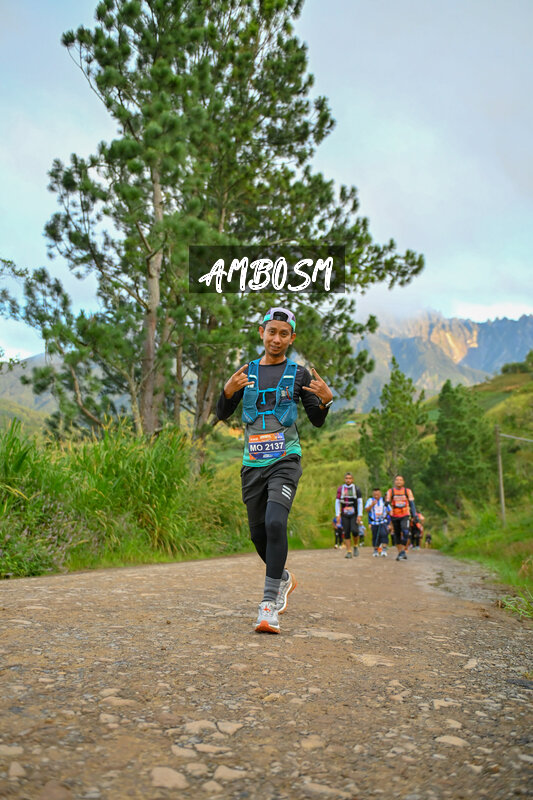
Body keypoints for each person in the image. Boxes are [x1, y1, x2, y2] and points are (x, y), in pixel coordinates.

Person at [216, 306, 333, 634]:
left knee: (275, 522)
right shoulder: (246, 373)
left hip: (285, 461)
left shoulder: (299, 375)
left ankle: (268, 606)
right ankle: (282, 577)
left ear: (291, 338)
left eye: (284, 334)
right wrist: (227, 392)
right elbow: (222, 413)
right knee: (258, 534)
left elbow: (316, 420)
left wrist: (326, 401)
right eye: (272, 332)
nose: (277, 339)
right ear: (262, 333)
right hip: (252, 464)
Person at [385, 475, 418, 561]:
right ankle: (400, 552)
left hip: (405, 514)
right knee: (397, 534)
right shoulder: (391, 491)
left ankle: (403, 550)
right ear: (394, 482)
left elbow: (412, 503)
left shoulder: (407, 491)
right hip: (395, 515)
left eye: (400, 480)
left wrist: (414, 515)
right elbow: (387, 503)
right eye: (397, 480)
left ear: (403, 482)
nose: (399, 481)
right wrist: (389, 511)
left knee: (406, 532)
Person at [335, 472, 363, 558]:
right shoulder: (340, 489)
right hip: (344, 514)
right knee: (346, 532)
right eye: (346, 478)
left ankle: (355, 545)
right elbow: (337, 502)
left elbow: (360, 502)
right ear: (344, 479)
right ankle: (349, 551)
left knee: (355, 531)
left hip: (354, 514)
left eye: (350, 478)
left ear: (352, 479)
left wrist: (360, 515)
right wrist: (337, 514)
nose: (348, 480)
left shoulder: (356, 489)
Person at [365, 488, 390, 557]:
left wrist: (390, 521)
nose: (376, 496)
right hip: (374, 522)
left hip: (383, 521)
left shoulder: (384, 500)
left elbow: (389, 510)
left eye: (378, 494)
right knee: (375, 536)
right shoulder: (370, 500)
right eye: (375, 494)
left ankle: (384, 550)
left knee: (384, 534)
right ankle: (375, 550)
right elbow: (366, 509)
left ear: (380, 494)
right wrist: (372, 505)